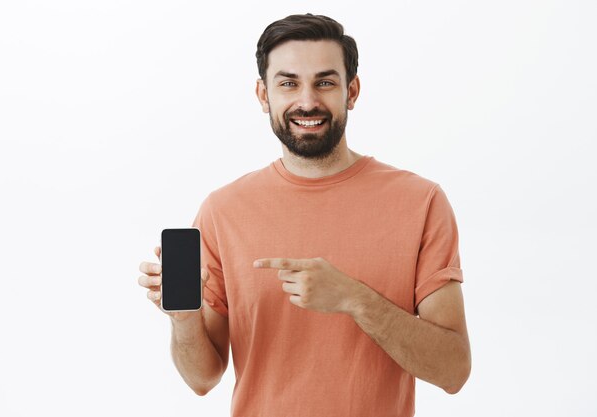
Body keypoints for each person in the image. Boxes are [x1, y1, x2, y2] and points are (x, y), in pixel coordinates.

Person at [138, 13, 471, 417]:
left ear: (352, 90)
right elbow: (202, 379)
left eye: (325, 82)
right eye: (289, 83)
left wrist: (354, 298)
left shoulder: (422, 202)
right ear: (264, 95)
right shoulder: (222, 210)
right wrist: (184, 320)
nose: (308, 101)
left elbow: (453, 371)